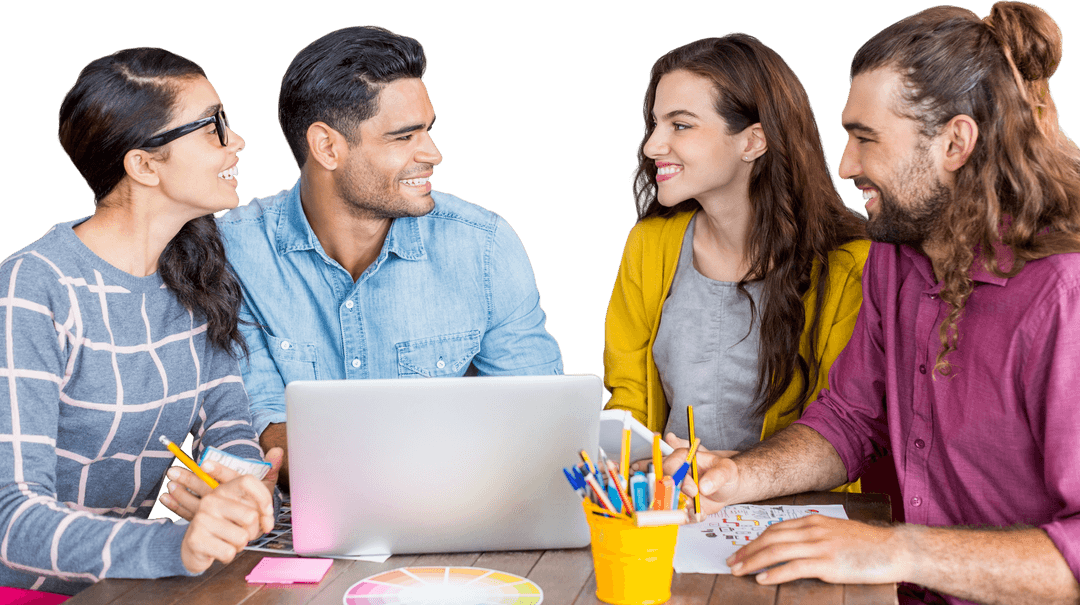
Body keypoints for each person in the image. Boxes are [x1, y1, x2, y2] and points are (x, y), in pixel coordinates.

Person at [671, 4, 1080, 603]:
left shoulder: (1064, 296)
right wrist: (737, 476)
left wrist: (899, 548)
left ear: (955, 142)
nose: (845, 165)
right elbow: (849, 418)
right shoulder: (898, 250)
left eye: (866, 139)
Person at [217, 26, 563, 488]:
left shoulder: (484, 246)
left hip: (461, 511)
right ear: (327, 147)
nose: (434, 154)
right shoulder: (233, 251)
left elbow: (542, 423)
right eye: (404, 137)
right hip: (307, 524)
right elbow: (263, 431)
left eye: (428, 130)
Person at [0, 48, 282, 596]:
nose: (237, 141)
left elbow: (229, 430)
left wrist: (240, 491)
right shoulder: (30, 290)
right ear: (144, 164)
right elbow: (9, 519)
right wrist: (174, 546)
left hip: (134, 587)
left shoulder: (196, 275)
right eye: (212, 127)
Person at [604, 34, 868, 460]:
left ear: (752, 142)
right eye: (655, 124)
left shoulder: (848, 266)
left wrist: (730, 473)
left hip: (800, 514)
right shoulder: (647, 245)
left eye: (681, 125)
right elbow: (629, 398)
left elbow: (844, 429)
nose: (652, 145)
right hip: (674, 501)